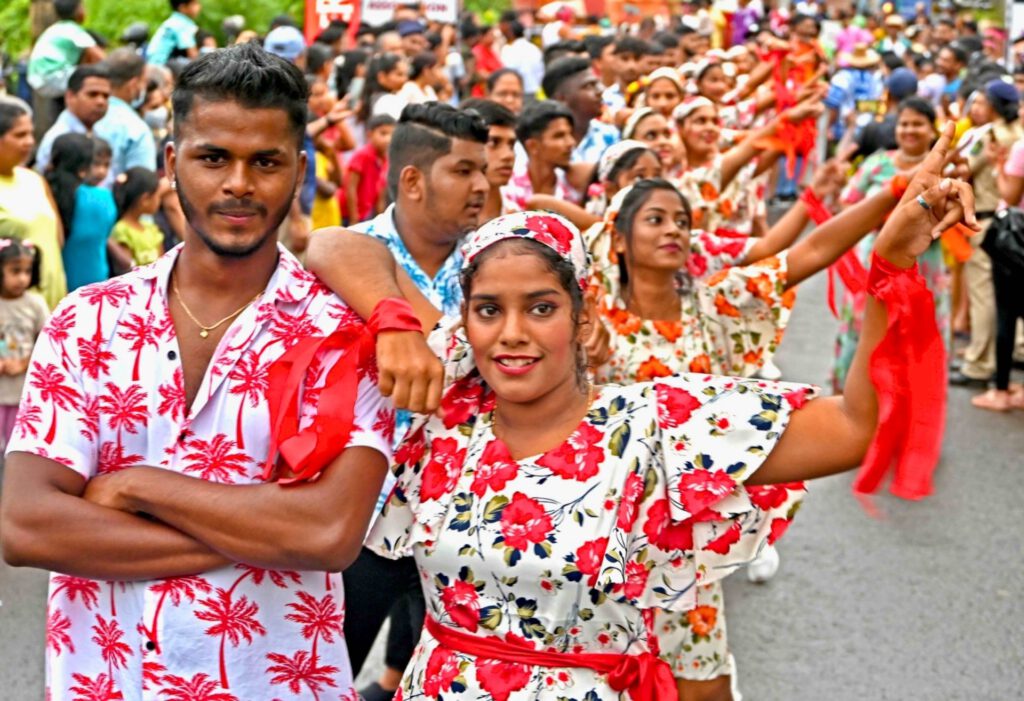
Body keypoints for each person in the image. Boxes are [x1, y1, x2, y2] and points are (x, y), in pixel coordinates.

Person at [304, 122, 975, 701]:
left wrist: (889, 261)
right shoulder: (446, 417)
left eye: (541, 307)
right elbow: (331, 247)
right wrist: (394, 321)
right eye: (488, 310)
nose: (511, 332)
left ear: (584, 313)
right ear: (465, 322)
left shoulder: (657, 424)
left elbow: (856, 427)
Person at [0, 41, 391, 700]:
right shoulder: (87, 321)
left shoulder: (342, 336)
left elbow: (327, 532)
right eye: (214, 157)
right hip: (107, 681)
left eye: (264, 162)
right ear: (173, 162)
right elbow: (27, 523)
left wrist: (137, 486)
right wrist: (266, 531)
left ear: (298, 171)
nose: (238, 183)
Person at [323, 101, 489, 701]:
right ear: (413, 179)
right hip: (359, 519)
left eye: (486, 171)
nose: (482, 186)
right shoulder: (343, 258)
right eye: (464, 170)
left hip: (458, 519)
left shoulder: (493, 267)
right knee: (323, 671)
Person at [834, 96, 950, 391]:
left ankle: (907, 403)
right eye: (904, 124)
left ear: (932, 130)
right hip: (873, 260)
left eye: (918, 124)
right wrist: (879, 216)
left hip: (922, 263)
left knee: (914, 331)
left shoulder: (947, 170)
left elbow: (952, 218)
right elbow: (847, 204)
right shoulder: (877, 163)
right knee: (863, 327)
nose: (910, 130)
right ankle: (850, 398)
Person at [952, 80, 1024, 390]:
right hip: (1007, 223)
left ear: (993, 105)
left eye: (981, 102)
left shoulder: (993, 136)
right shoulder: (1015, 134)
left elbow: (965, 167)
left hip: (988, 220)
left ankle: (979, 363)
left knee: (984, 294)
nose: (976, 108)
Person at [0, 98, 66, 309]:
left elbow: (57, 238)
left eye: (30, 133)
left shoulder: (34, 180)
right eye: (20, 135)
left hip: (53, 301)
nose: (29, 141)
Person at [45, 134, 118, 291]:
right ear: (84, 168)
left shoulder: (43, 192)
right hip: (94, 286)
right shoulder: (103, 199)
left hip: (51, 285)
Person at [0, 238, 48, 449]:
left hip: (23, 391)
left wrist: (24, 363)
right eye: (15, 271)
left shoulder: (35, 304)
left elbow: (48, 342)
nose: (22, 278)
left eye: (27, 271)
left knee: (16, 446)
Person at [503, 101, 588, 211]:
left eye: (570, 134)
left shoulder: (574, 188)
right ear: (533, 146)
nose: (571, 142)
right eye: (559, 136)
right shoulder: (508, 187)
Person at [95, 48, 159, 183]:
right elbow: (143, 186)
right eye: (144, 82)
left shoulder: (85, 116)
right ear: (133, 85)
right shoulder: (136, 129)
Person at [34, 64, 111, 174]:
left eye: (106, 96)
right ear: (70, 96)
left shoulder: (99, 132)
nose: (101, 102)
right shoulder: (58, 139)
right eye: (92, 94)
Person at [542, 57, 619, 164]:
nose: (600, 91)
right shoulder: (542, 143)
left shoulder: (611, 135)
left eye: (597, 84)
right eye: (589, 86)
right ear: (562, 99)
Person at [26, 0, 104, 103]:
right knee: (95, 78)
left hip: (37, 79)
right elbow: (99, 55)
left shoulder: (55, 29)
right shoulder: (72, 29)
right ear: (78, 10)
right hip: (52, 77)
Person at [460, 99, 518, 222]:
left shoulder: (517, 215)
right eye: (493, 143)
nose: (508, 155)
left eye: (511, 145)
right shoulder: (444, 223)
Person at [346, 113, 396, 224]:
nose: (388, 139)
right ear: (369, 135)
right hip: (348, 213)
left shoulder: (386, 160)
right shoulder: (363, 156)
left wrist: (381, 220)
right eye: (383, 133)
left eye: (392, 135)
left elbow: (380, 193)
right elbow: (351, 188)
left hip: (366, 212)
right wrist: (353, 217)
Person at [111, 167, 166, 266]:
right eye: (158, 196)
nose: (159, 200)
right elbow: (127, 269)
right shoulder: (122, 230)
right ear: (144, 200)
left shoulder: (151, 228)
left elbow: (162, 264)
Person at [147, 0, 202, 66]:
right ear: (183, 7)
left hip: (151, 62)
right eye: (194, 4)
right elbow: (193, 54)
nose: (199, 7)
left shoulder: (172, 21)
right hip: (162, 65)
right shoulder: (182, 24)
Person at [500, 20, 544, 98]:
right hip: (537, 90)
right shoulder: (533, 48)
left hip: (520, 91)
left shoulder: (509, 49)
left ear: (511, 33)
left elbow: (507, 69)